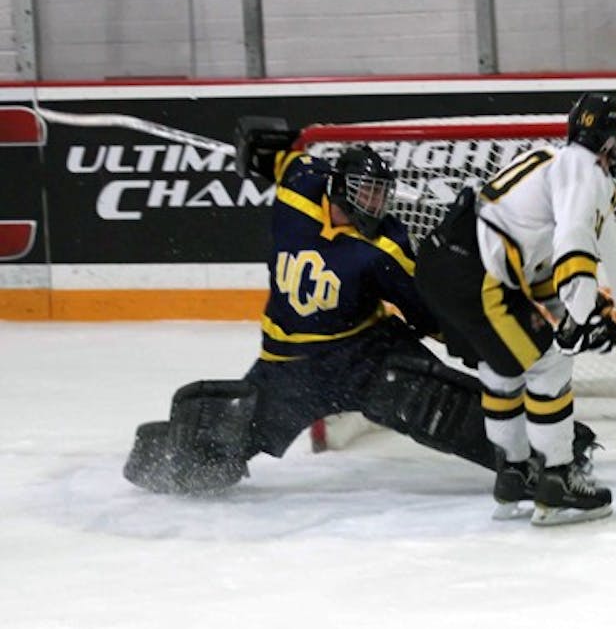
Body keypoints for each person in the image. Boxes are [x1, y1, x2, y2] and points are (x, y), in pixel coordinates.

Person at [123, 116, 589, 495]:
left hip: (365, 356)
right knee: (220, 450)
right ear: (340, 187)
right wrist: (260, 141)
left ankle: (554, 453)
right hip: (287, 366)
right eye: (366, 193)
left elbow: (427, 306)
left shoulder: (387, 245)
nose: (376, 202)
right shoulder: (298, 188)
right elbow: (282, 156)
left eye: (381, 194)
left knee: (442, 409)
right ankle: (164, 456)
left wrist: (470, 336)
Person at [414, 92, 616, 526]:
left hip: (444, 266)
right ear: (609, 143)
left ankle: (513, 473)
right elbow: (574, 243)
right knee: (549, 366)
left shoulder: (550, 158)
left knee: (504, 370)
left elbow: (535, 269)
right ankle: (556, 479)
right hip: (477, 278)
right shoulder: (586, 171)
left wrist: (579, 312)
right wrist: (582, 315)